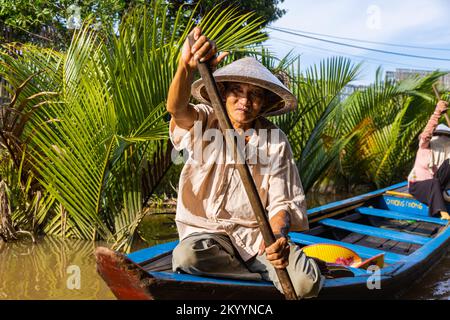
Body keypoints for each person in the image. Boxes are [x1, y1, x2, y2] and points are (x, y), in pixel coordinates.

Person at [166, 27, 324, 299]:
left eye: (255, 95)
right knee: (187, 258)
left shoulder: (275, 140)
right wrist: (185, 66)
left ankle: (253, 273)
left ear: (263, 104)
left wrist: (277, 237)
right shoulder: (205, 120)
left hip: (256, 238)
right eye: (236, 92)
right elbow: (177, 109)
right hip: (208, 234)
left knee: (305, 285)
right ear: (223, 94)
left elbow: (281, 203)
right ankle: (255, 278)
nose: (244, 101)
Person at [408, 100, 450, 220]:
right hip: (418, 184)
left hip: (436, 183)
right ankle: (441, 211)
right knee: (434, 183)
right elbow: (426, 134)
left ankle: (444, 193)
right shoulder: (425, 146)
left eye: (446, 137)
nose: (442, 139)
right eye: (440, 136)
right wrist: (437, 112)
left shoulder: (446, 151)